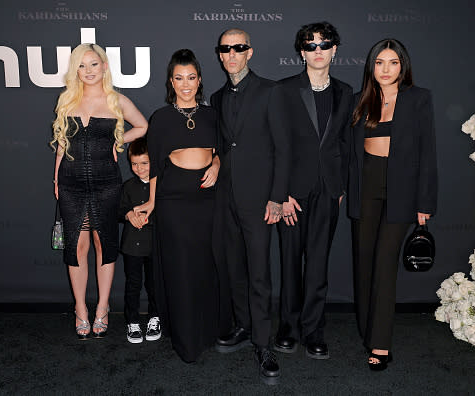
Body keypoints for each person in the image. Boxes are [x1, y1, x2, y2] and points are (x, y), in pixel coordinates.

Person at [347, 38, 437, 370]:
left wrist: (425, 201)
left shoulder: (418, 99)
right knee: (364, 262)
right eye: (380, 63)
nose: (386, 69)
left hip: (403, 189)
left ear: (403, 66)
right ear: (371, 67)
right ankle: (367, 330)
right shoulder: (360, 101)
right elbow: (350, 153)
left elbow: (428, 152)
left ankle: (381, 343)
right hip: (366, 186)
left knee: (385, 262)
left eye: (393, 63)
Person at [50, 43, 148, 339]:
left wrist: (118, 143)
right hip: (71, 184)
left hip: (107, 183)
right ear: (75, 70)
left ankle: (102, 307)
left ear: (104, 67)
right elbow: (61, 145)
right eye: (82, 65)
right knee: (76, 248)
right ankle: (81, 308)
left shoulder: (116, 100)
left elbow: (142, 126)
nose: (89, 71)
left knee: (104, 245)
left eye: (94, 64)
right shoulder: (67, 100)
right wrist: (56, 179)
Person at [211, 28, 290, 385]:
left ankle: (263, 343)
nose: (231, 54)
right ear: (220, 54)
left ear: (250, 52)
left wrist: (277, 195)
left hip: (260, 201)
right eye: (225, 49)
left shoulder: (271, 91)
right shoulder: (215, 97)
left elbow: (284, 149)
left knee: (259, 273)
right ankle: (243, 325)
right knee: (235, 269)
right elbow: (224, 147)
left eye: (238, 48)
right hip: (225, 198)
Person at [133, 49, 220, 363]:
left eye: (192, 77)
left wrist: (218, 163)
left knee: (206, 268)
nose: (186, 84)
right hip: (174, 203)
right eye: (179, 78)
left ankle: (207, 333)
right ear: (171, 81)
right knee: (181, 271)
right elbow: (155, 166)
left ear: (199, 80)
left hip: (208, 201)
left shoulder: (212, 114)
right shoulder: (162, 117)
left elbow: (221, 149)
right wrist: (153, 203)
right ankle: (186, 342)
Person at [273, 22, 353, 360]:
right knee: (290, 263)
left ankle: (314, 330)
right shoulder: (284, 90)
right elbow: (278, 144)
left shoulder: (346, 92)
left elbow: (345, 144)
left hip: (327, 190)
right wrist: (281, 193)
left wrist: (340, 187)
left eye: (324, 45)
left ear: (335, 49)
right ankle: (288, 328)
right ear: (301, 52)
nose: (317, 51)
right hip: (292, 192)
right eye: (310, 45)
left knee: (318, 264)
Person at [117, 137, 160, 344]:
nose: (139, 168)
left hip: (154, 244)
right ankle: (132, 321)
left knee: (154, 284)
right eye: (134, 164)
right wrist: (129, 215)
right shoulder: (127, 186)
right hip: (131, 245)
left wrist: (148, 216)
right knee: (133, 284)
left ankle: (155, 317)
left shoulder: (162, 186)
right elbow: (119, 210)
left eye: (144, 163)